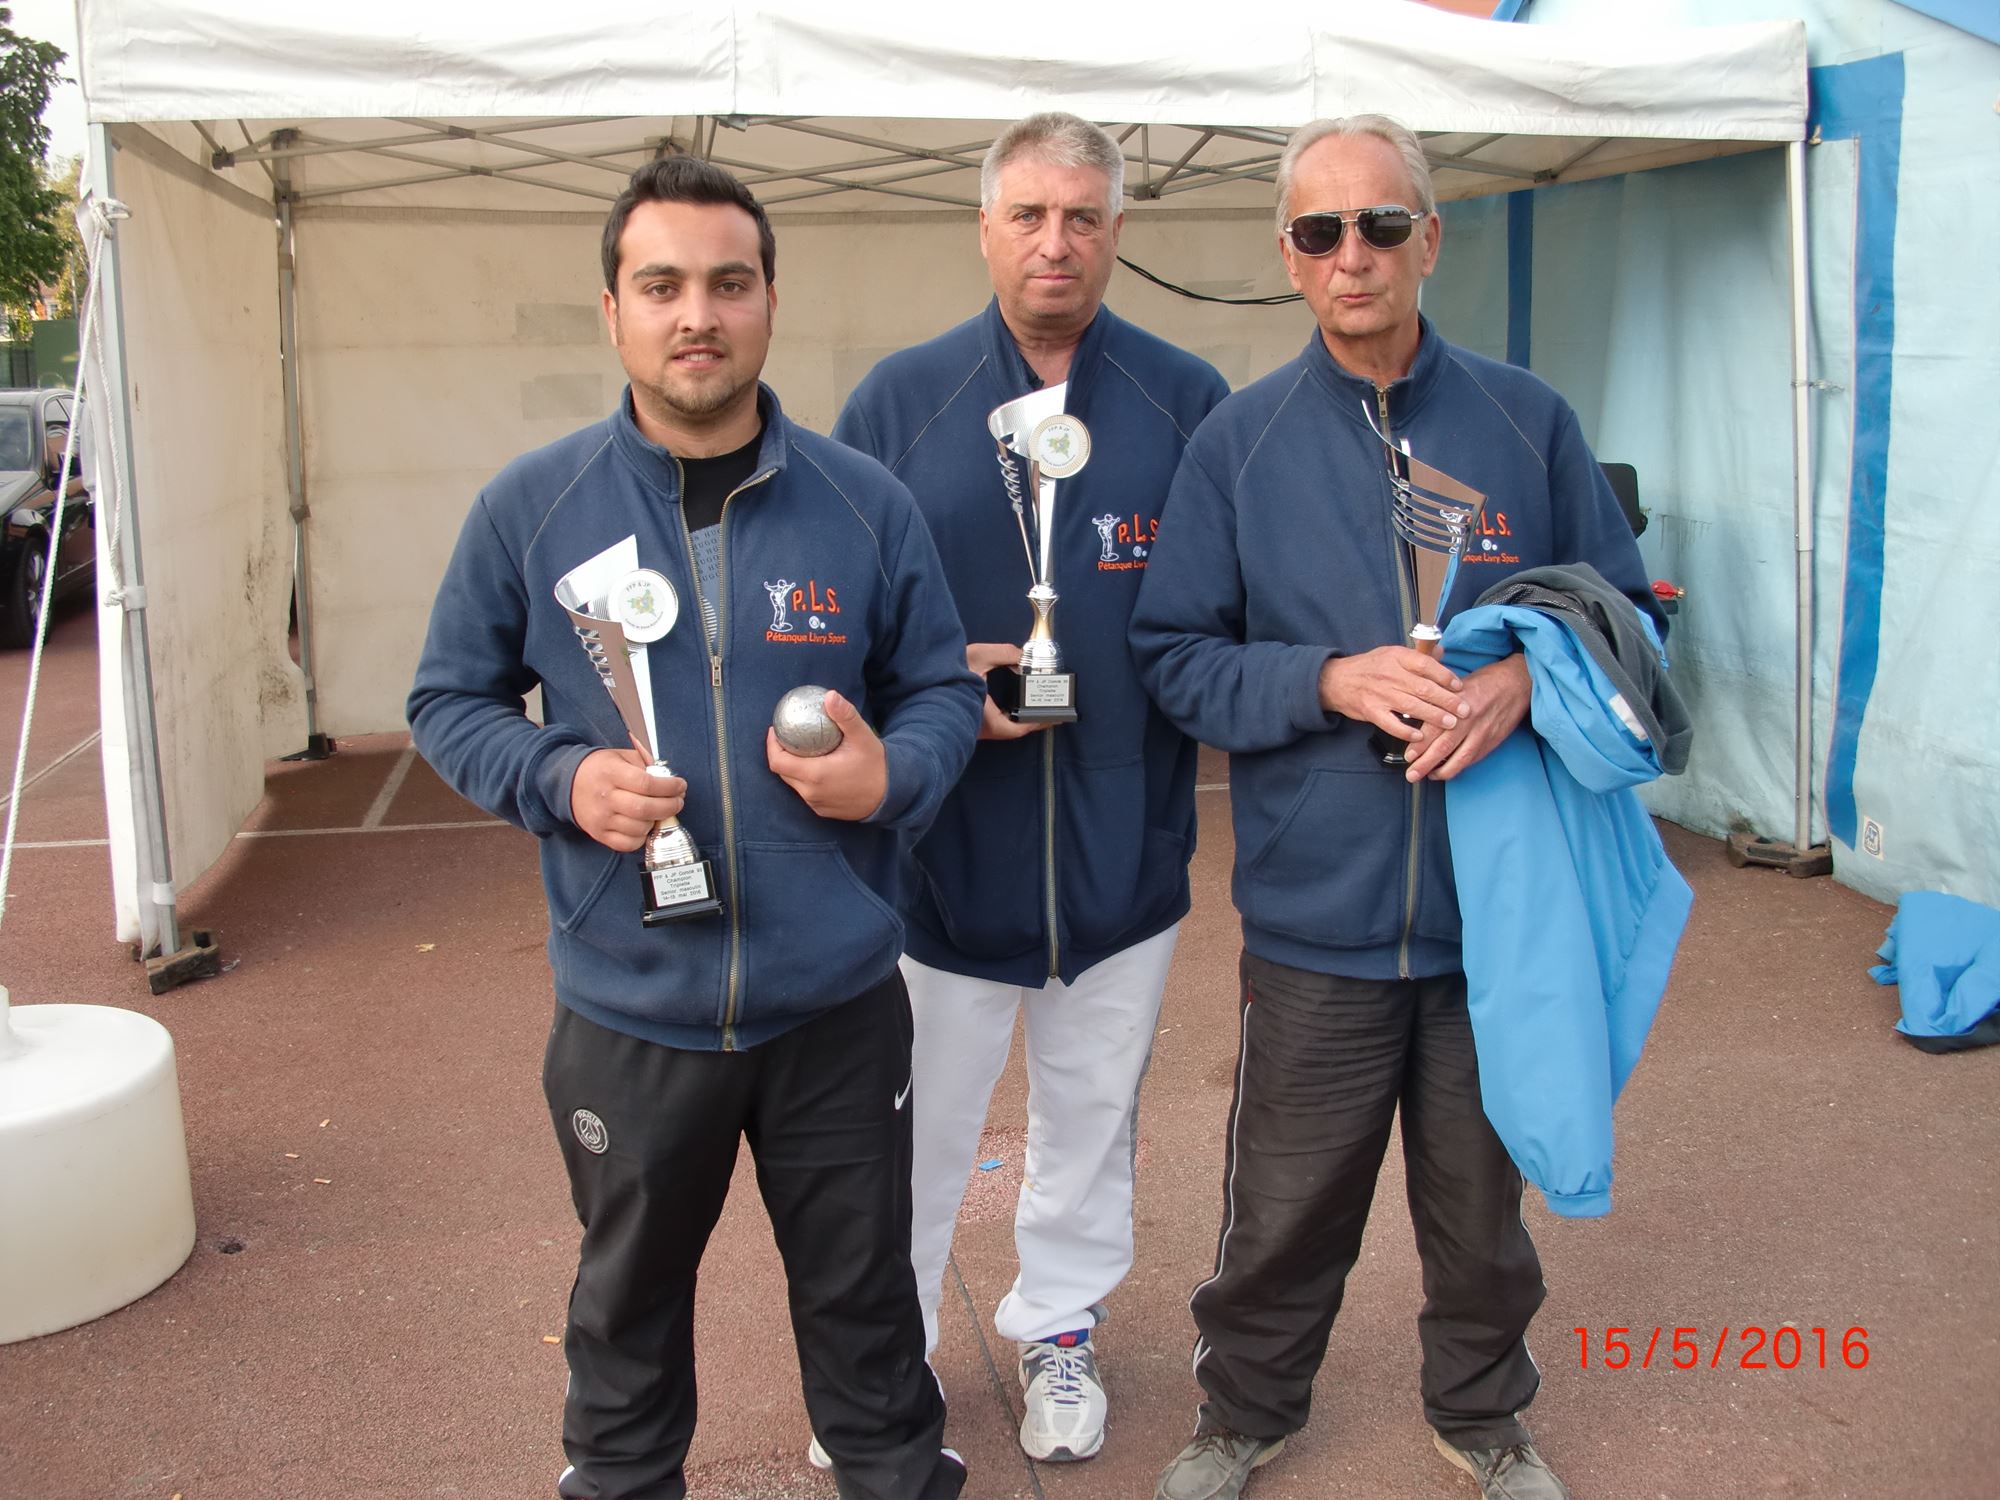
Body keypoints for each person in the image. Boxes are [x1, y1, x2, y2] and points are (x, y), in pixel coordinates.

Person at [407, 156, 982, 1500]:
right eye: (661, 285)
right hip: (632, 1010)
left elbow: (943, 692)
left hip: (835, 1006)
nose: (697, 315)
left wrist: (890, 775)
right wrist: (560, 777)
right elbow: (447, 701)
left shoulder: (863, 502)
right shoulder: (531, 506)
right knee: (624, 1321)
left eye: (729, 283)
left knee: (869, 1314)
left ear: (770, 300)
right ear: (612, 310)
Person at [1130, 115, 1664, 1500]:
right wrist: (1328, 679)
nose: (1351, 255)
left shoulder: (1527, 420)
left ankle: (1484, 1417)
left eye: (1379, 225)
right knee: (1283, 1208)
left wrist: (1526, 687)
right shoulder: (1239, 443)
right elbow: (1173, 656)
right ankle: (1244, 1413)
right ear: (1289, 256)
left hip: (1502, 911)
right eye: (1320, 231)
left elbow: (1627, 616)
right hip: (1319, 916)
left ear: (1429, 237)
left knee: (1483, 1212)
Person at [833, 112, 1230, 1464]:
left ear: (1117, 231)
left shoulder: (1184, 401)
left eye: (1081, 216)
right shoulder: (899, 403)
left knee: (1092, 1124)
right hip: (938, 865)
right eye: (1028, 215)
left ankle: (1060, 1328)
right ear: (985, 228)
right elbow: (834, 622)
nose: (1054, 242)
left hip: (1123, 861)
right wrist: (942, 680)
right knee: (910, 1134)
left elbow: (1224, 613)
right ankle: (882, 1365)